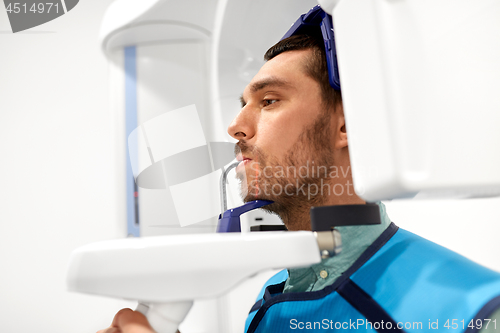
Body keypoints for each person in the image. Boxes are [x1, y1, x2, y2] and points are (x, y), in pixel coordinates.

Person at [98, 10, 500, 333]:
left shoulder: (476, 311)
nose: (235, 125)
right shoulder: (267, 304)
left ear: (346, 124)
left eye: (269, 100)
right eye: (242, 103)